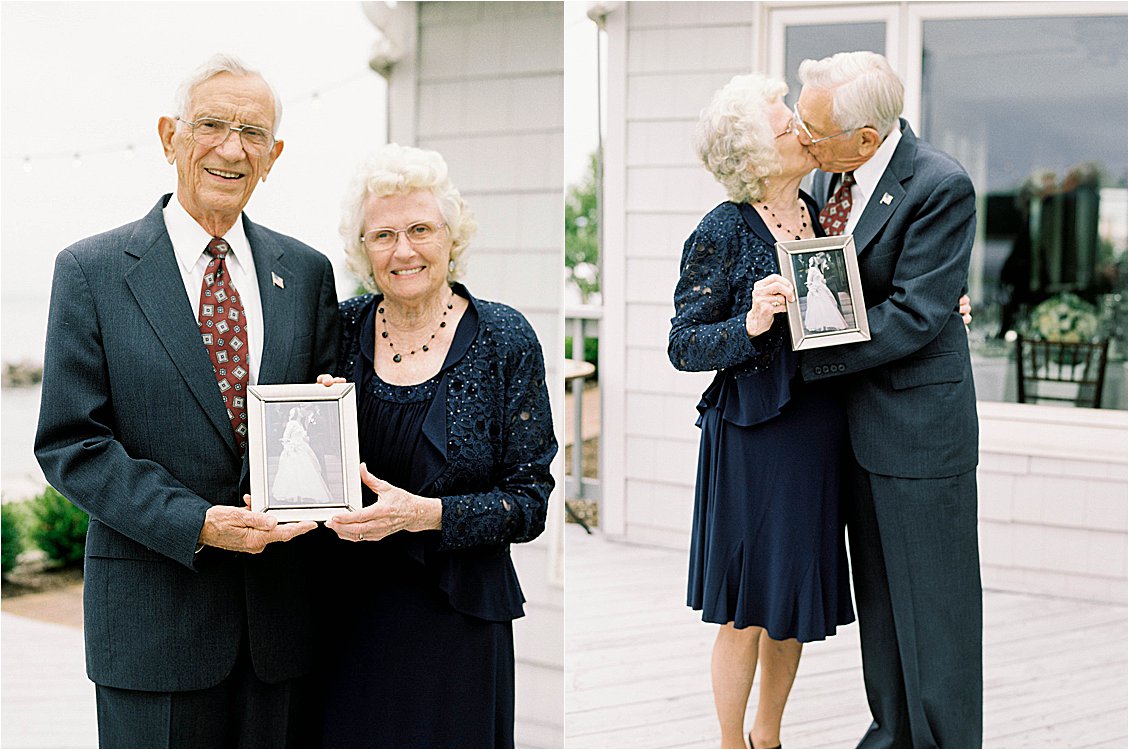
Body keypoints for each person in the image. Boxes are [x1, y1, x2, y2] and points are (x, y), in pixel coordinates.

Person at [34, 54, 339, 747]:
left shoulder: (308, 271)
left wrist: (335, 415)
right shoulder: (90, 272)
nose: (232, 148)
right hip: (151, 627)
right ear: (170, 134)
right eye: (212, 125)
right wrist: (196, 522)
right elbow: (70, 444)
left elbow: (318, 421)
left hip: (279, 632)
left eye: (253, 133)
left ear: (275, 155)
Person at [310, 143, 556, 748]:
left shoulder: (504, 338)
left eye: (420, 229)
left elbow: (530, 502)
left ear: (451, 235)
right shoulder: (337, 331)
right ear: (362, 249)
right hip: (347, 619)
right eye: (383, 235)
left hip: (459, 620)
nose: (403, 250)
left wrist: (426, 516)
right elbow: (303, 463)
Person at [794, 51, 982, 748]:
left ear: (866, 138)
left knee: (937, 614)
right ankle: (892, 734)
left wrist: (805, 356)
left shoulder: (939, 184)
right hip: (852, 429)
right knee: (879, 603)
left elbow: (913, 314)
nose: (802, 140)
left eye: (813, 131)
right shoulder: (826, 173)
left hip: (917, 429)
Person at [669, 73, 856, 750]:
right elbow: (682, 343)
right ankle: (728, 743)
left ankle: (768, 737)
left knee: (790, 604)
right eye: (786, 127)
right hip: (752, 435)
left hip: (817, 429)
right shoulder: (721, 229)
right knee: (747, 607)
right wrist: (748, 322)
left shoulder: (826, 211)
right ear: (754, 156)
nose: (799, 131)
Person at [271, 407, 333, 505]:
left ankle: (307, 493)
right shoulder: (291, 423)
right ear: (296, 413)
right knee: (295, 472)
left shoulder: (300, 424)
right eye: (299, 410)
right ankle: (293, 494)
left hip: (303, 449)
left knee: (307, 470)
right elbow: (285, 438)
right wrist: (291, 447)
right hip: (294, 451)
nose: (302, 411)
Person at [803, 256, 848, 332]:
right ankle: (819, 324)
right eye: (816, 259)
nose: (818, 260)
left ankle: (829, 323)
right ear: (814, 261)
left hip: (822, 289)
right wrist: (813, 291)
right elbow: (809, 282)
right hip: (817, 291)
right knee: (819, 308)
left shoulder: (818, 269)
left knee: (829, 305)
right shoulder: (812, 270)